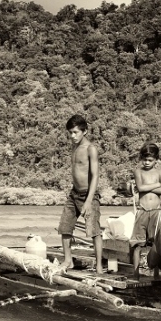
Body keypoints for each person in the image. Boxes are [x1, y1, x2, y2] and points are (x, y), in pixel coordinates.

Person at [58, 114, 103, 273]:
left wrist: (89, 201)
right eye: (70, 132)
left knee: (94, 231)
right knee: (65, 227)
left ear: (84, 131)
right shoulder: (74, 146)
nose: (72, 136)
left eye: (75, 132)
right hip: (74, 193)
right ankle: (68, 260)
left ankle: (98, 266)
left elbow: (95, 175)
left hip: (88, 195)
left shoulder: (91, 149)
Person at [129, 143, 161, 277]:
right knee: (137, 243)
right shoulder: (138, 172)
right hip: (142, 210)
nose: (146, 162)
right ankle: (136, 274)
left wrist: (149, 186)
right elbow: (140, 188)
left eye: (150, 160)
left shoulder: (160, 172)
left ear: (156, 160)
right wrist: (157, 184)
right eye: (144, 159)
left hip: (156, 211)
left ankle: (156, 273)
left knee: (155, 243)